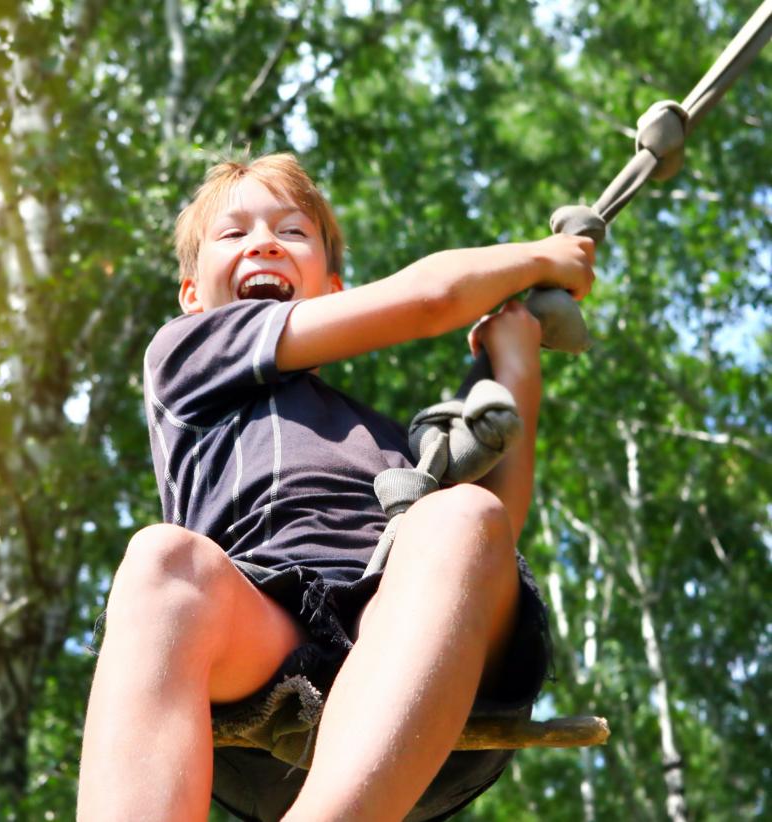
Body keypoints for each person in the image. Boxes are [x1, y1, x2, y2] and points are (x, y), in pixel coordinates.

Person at [77, 153, 595, 821]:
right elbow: (431, 299)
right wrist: (538, 257)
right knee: (161, 562)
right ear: (192, 296)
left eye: (291, 232)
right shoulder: (187, 357)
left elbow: (490, 542)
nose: (263, 241)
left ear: (331, 287)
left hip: (408, 677)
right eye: (233, 235)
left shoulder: (387, 442)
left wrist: (517, 360)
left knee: (463, 515)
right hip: (267, 654)